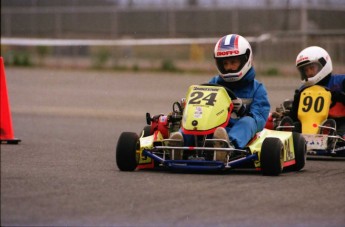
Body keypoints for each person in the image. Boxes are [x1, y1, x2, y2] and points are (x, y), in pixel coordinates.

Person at [170, 34, 270, 153]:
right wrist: (190, 106)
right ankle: (180, 143)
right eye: (225, 64)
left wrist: (243, 110)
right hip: (213, 130)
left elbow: (260, 118)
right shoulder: (214, 83)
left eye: (233, 62)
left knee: (248, 122)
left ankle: (227, 147)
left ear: (246, 59)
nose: (229, 68)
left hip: (240, 132)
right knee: (195, 120)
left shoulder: (257, 89)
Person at [279, 46, 345, 137]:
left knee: (339, 127)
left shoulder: (341, 81)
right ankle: (288, 135)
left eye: (312, 68)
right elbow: (296, 115)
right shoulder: (303, 89)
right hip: (309, 125)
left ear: (323, 64)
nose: (309, 73)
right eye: (306, 70)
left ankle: (329, 135)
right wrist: (293, 106)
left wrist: (337, 96)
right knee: (295, 126)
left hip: (337, 122)